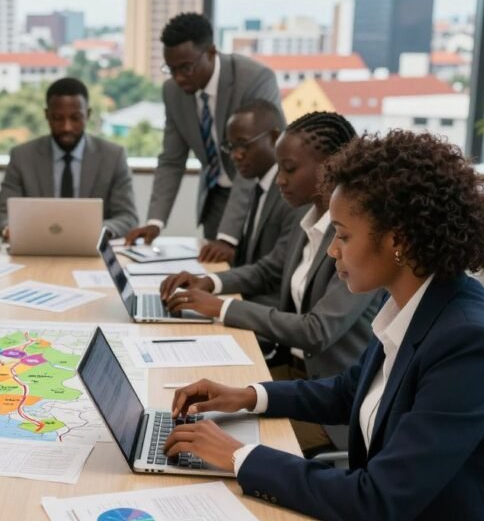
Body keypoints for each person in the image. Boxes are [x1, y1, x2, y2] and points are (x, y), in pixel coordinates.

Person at [162, 130, 484, 521]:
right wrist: (247, 396)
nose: (333, 252)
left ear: (398, 240)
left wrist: (239, 455)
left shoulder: (470, 343)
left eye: (343, 236)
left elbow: (377, 503)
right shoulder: (416, 305)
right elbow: (349, 391)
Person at [160, 112, 379, 452]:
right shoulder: (308, 221)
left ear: (330, 167)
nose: (279, 180)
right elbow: (269, 269)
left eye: (290, 169)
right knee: (186, 399)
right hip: (293, 377)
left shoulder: (357, 243)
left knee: (209, 441)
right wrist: (211, 282)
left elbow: (316, 330)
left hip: (332, 410)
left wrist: (225, 307)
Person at [124, 12, 282, 263]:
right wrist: (155, 222)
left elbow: (255, 158)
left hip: (258, 195)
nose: (178, 77)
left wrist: (228, 237)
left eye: (185, 68)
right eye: (171, 69)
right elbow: (172, 160)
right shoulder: (173, 92)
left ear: (210, 52)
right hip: (214, 198)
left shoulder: (254, 79)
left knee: (255, 273)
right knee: (214, 273)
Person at [0, 77, 138, 238]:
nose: (67, 127)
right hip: (38, 249)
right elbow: (0, 216)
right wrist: (8, 229)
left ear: (87, 114)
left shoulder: (113, 157)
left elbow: (128, 217)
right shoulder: (23, 157)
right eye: (58, 118)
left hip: (92, 251)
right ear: (47, 115)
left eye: (75, 118)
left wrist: (98, 231)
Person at [220, 99, 302, 308]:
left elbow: (274, 270)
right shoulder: (257, 186)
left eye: (243, 145)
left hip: (272, 308)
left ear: (274, 138)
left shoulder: (292, 194)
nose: (236, 155)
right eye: (231, 147)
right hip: (251, 299)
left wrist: (216, 286)